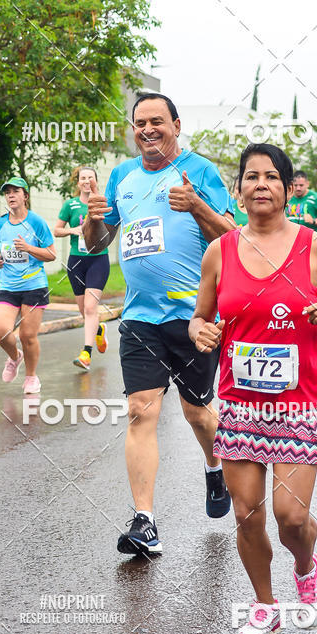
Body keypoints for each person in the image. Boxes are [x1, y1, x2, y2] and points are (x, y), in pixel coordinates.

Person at [189, 143, 317, 634]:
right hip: (240, 404)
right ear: (239, 190)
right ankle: (265, 607)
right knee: (246, 514)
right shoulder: (220, 252)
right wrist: (201, 332)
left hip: (298, 404)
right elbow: (200, 316)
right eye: (251, 176)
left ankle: (305, 566)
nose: (260, 184)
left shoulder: (314, 246)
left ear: (286, 189)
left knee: (291, 517)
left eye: (271, 177)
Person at [83, 93, 235, 556]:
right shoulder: (121, 176)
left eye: (157, 121)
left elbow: (233, 239)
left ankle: (214, 467)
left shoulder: (200, 170)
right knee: (140, 411)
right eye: (139, 123)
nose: (147, 129)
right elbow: (99, 241)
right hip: (139, 317)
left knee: (197, 412)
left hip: (194, 317)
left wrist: (197, 206)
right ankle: (145, 521)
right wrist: (92, 221)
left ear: (176, 125)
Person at [0, 177, 56, 394]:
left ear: (25, 196)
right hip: (8, 285)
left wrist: (28, 248)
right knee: (0, 330)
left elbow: (51, 254)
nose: (10, 195)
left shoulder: (37, 223)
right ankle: (15, 357)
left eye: (15, 191)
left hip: (34, 285)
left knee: (27, 336)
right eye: (7, 192)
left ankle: (31, 377)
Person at [54, 166, 110, 370]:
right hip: (76, 262)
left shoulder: (102, 202)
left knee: (90, 307)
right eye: (83, 178)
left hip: (98, 260)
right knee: (84, 311)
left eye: (90, 177)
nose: (86, 181)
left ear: (96, 181)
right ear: (78, 183)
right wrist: (73, 230)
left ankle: (86, 353)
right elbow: (56, 230)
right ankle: (98, 331)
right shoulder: (70, 205)